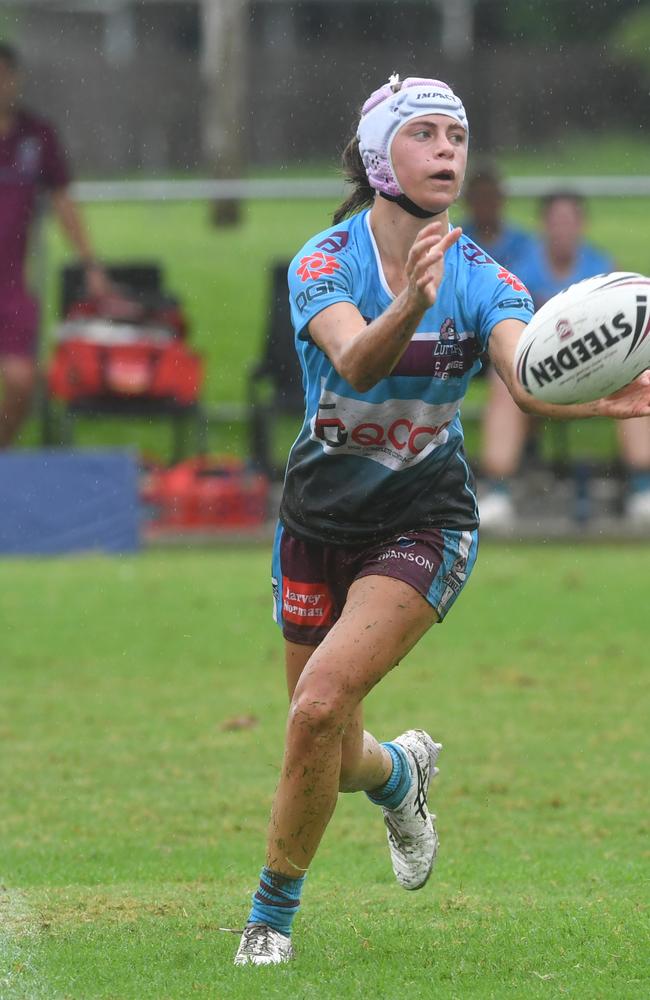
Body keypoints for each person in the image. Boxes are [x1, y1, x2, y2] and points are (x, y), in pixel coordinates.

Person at [234, 75, 650, 966]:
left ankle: (269, 921)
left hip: (424, 521)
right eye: (425, 134)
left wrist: (602, 394)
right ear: (381, 155)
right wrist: (409, 304)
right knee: (333, 750)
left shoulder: (478, 275)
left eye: (457, 136)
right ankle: (401, 773)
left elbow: (527, 375)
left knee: (314, 710)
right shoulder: (325, 260)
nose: (448, 151)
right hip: (315, 518)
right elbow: (353, 355)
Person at [480, 190, 650, 526]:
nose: (563, 228)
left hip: (598, 366)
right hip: (542, 370)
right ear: (543, 225)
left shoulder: (602, 268)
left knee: (638, 379)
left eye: (570, 220)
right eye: (556, 221)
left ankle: (642, 488)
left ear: (581, 224)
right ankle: (497, 492)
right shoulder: (520, 269)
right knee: (504, 382)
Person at [0, 42, 111, 447]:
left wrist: (90, 264)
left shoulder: (37, 135)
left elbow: (64, 202)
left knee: (21, 380)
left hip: (13, 284)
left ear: (16, 79)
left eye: (4, 76)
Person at [461, 160, 534, 273]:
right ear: (468, 201)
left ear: (501, 200)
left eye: (490, 197)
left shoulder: (522, 243)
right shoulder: (458, 240)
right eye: (479, 198)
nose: (485, 205)